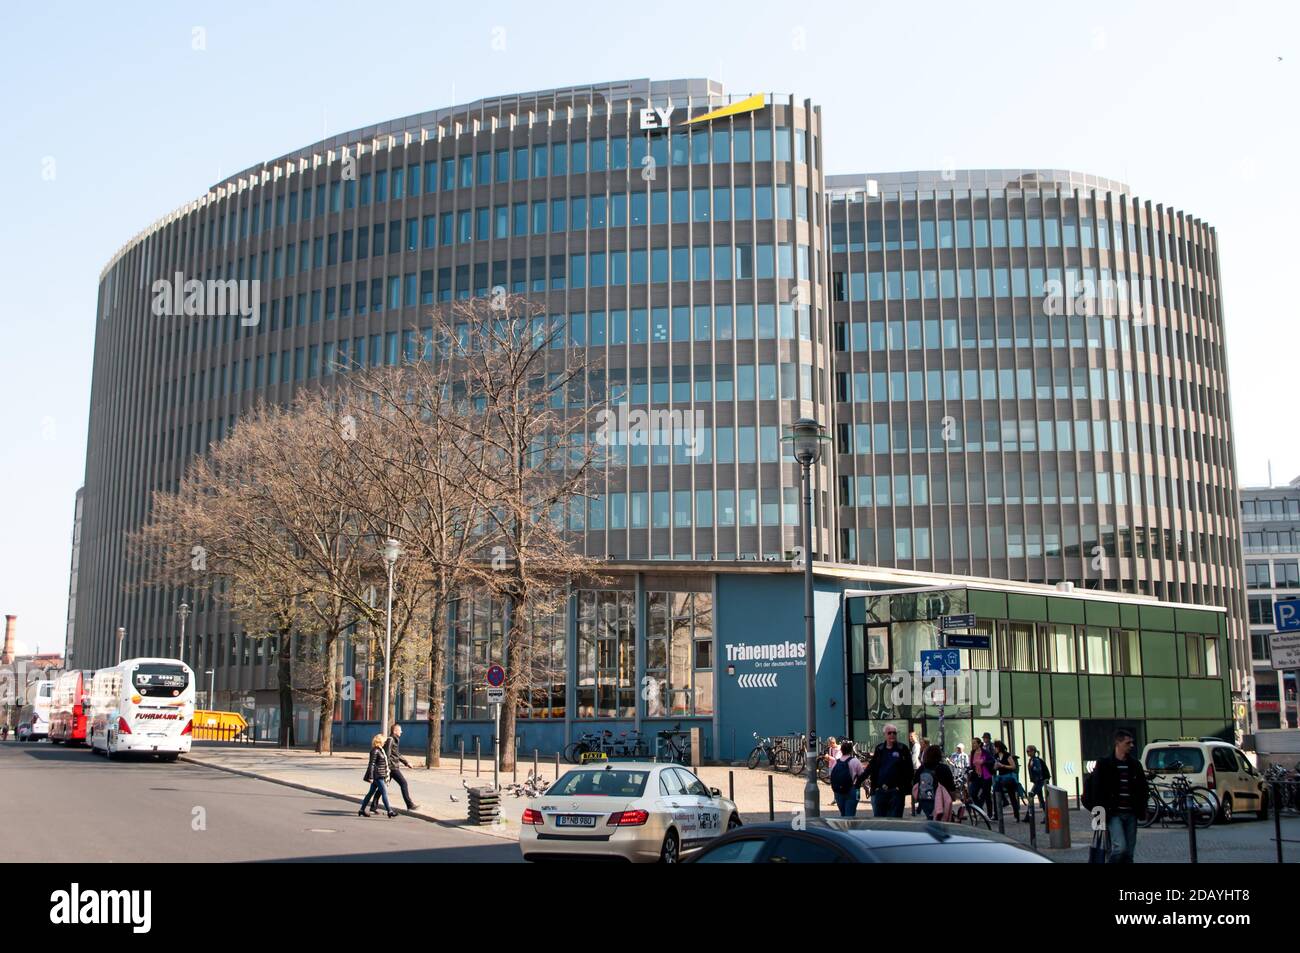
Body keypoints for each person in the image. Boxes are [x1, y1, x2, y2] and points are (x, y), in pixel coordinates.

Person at [1083, 729, 1150, 863]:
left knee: (1129, 854)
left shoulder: (1135, 764)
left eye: (1132, 743)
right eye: (1128, 743)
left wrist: (1142, 807)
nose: (1131, 745)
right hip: (1113, 813)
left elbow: (1143, 788)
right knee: (1120, 848)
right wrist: (1099, 812)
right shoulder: (1104, 764)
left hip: (1131, 813)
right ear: (1118, 743)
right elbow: (1095, 789)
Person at [867, 724, 914, 818]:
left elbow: (909, 770)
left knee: (895, 821)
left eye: (894, 733)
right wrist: (873, 787)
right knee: (880, 821)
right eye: (889, 733)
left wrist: (901, 788)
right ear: (885, 734)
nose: (892, 735)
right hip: (880, 791)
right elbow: (872, 767)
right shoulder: (879, 749)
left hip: (896, 792)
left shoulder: (902, 748)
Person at [914, 744, 957, 820]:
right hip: (942, 803)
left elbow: (915, 785)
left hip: (925, 803)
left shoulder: (921, 769)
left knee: (930, 822)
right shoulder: (944, 768)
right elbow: (951, 787)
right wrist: (953, 797)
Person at [360, 733, 398, 818]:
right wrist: (371, 777)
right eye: (384, 741)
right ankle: (389, 811)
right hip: (377, 776)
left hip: (380, 775)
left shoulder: (380, 750)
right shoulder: (375, 750)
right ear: (380, 741)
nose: (385, 742)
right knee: (384, 792)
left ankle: (362, 810)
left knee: (370, 793)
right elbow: (371, 764)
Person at [383, 724, 419, 811]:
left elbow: (396, 754)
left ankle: (373, 805)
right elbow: (387, 754)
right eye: (400, 730)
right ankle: (409, 804)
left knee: (382, 787)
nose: (401, 732)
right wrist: (387, 766)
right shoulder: (391, 739)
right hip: (392, 767)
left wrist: (406, 763)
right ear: (395, 731)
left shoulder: (395, 740)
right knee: (403, 783)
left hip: (392, 766)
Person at [828, 740, 866, 817]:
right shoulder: (855, 761)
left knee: (843, 813)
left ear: (841, 750)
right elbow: (862, 776)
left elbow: (832, 775)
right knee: (850, 814)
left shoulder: (836, 762)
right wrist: (865, 787)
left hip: (838, 791)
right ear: (851, 750)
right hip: (853, 790)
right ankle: (850, 828)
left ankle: (843, 827)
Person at [991, 740, 1023, 821]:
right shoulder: (996, 756)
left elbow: (1013, 767)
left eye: (996, 747)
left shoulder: (1007, 755)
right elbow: (995, 768)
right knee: (995, 792)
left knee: (1012, 796)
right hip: (1001, 777)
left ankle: (1016, 815)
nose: (994, 749)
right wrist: (995, 766)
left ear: (999, 747)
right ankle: (997, 813)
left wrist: (1003, 766)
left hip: (1009, 777)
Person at [1026, 745, 1051, 815]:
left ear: (1033, 751)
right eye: (1027, 751)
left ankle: (1029, 816)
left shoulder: (1035, 760)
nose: (1027, 753)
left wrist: (1033, 768)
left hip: (1039, 781)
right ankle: (1046, 815)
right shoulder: (1032, 760)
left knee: (1031, 796)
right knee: (1041, 799)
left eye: (1028, 751)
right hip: (1038, 781)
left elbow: (1038, 770)